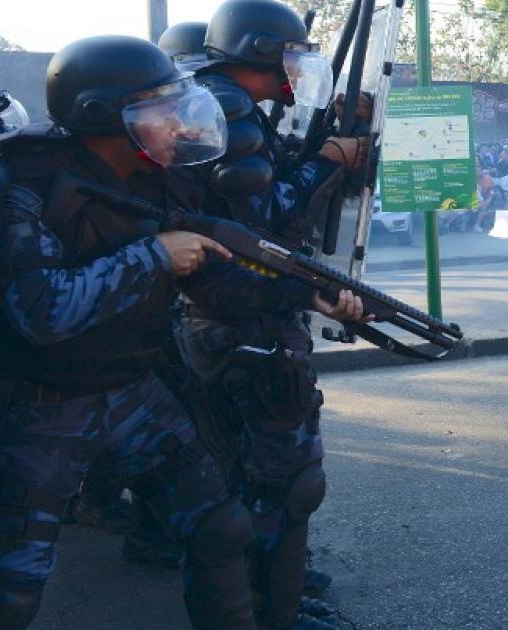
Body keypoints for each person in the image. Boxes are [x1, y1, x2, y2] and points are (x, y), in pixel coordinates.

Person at [0, 35, 363, 630]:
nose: (175, 125)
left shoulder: (162, 178)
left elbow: (218, 276)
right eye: (157, 111)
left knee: (219, 525)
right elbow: (42, 312)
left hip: (131, 389)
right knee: (12, 586)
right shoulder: (23, 183)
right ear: (102, 117)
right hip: (40, 407)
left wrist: (306, 291)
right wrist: (155, 258)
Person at [176, 2, 367, 627]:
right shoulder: (225, 106)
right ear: (260, 50)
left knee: (239, 477)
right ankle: (269, 613)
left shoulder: (212, 100)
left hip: (221, 316)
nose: (298, 64)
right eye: (290, 52)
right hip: (247, 317)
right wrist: (330, 161)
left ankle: (269, 601)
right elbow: (261, 221)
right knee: (283, 482)